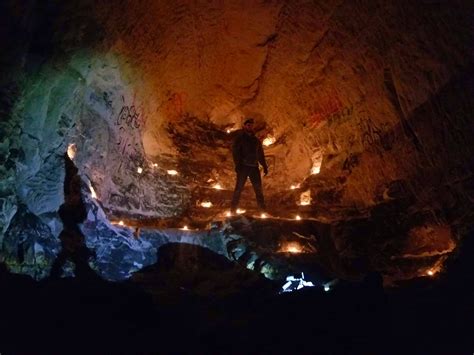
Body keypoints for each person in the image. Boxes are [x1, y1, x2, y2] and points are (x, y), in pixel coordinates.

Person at [231, 118, 268, 213]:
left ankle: (262, 210)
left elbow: (260, 154)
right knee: (238, 188)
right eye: (248, 125)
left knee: (258, 189)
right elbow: (236, 152)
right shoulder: (240, 138)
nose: (250, 127)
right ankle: (233, 209)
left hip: (254, 167)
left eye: (251, 125)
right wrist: (238, 165)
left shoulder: (256, 140)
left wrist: (264, 166)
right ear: (244, 126)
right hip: (243, 166)